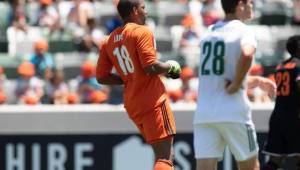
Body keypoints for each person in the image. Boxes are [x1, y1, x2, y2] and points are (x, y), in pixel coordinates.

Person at [96, 0, 181, 169]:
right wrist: (171, 67)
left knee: (160, 155)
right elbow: (150, 66)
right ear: (135, 10)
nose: (146, 12)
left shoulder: (109, 40)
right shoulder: (141, 31)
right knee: (165, 156)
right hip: (152, 100)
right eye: (143, 8)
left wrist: (130, 78)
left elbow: (102, 77)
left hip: (133, 103)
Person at [193, 0, 276, 170]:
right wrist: (237, 84)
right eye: (249, 2)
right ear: (240, 5)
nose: (252, 5)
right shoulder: (243, 30)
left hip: (204, 114)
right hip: (234, 112)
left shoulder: (209, 32)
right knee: (251, 167)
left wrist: (257, 81)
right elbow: (247, 53)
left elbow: (218, 78)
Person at [262, 35, 300, 170]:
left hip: (278, 116)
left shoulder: (280, 66)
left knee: (275, 160)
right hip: (295, 116)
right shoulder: (299, 64)